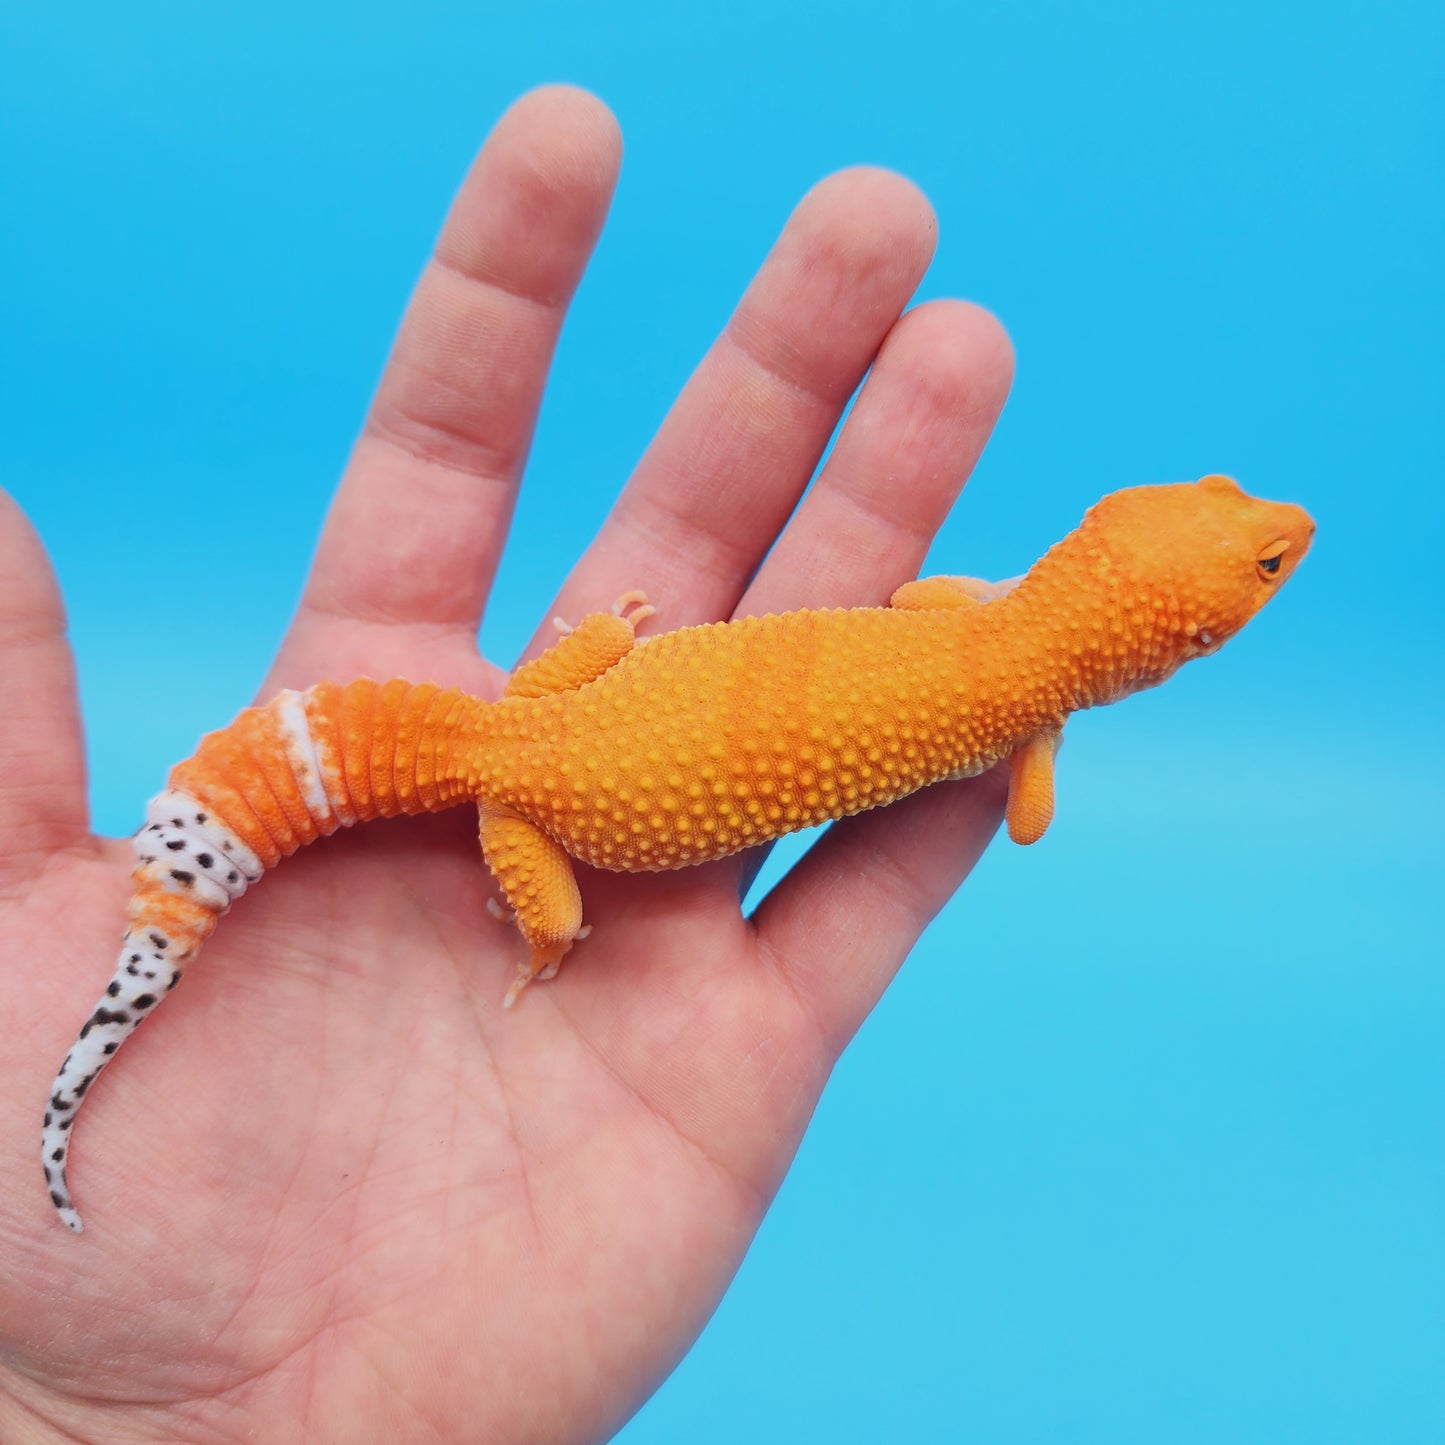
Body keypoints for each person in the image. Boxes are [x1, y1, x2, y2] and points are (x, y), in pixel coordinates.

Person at [0, 85, 1013, 1442]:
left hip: (547, 725)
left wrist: (558, 897)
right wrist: (543, 935)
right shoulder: (509, 811)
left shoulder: (525, 761)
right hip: (530, 765)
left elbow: (564, 723)